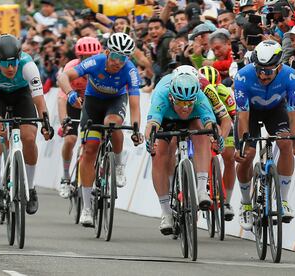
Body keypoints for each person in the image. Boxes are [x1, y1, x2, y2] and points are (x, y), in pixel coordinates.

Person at [58, 33, 143, 227]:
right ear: (106, 52)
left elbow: (135, 105)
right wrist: (70, 93)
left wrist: (137, 128)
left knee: (113, 125)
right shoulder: (95, 62)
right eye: (115, 56)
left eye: (124, 58)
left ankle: (119, 165)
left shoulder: (130, 71)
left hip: (115, 102)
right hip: (93, 103)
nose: (118, 62)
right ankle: (87, 208)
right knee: (89, 150)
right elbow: (64, 76)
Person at [234, 40, 295, 231]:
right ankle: (246, 204)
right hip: (250, 113)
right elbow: (242, 114)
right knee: (247, 155)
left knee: (285, 144)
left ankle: (283, 200)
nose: (262, 75)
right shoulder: (243, 76)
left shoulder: (290, 75)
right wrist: (243, 142)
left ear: (279, 66)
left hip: (275, 111)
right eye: (259, 69)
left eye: (268, 71)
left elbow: (293, 111)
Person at [0, 34, 53, 215]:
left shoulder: (28, 65)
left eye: (14, 63)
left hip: (22, 95)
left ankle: (31, 188)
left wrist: (46, 122)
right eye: (6, 64)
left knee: (29, 137)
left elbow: (39, 99)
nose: (11, 68)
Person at [144, 65, 218, 235]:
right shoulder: (162, 94)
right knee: (159, 154)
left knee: (202, 134)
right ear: (171, 97)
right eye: (180, 102)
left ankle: (201, 189)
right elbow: (152, 125)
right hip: (166, 119)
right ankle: (166, 213)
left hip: (192, 120)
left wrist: (215, 136)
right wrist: (151, 141)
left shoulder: (199, 96)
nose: (185, 107)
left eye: (189, 103)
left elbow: (211, 123)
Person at [57, 37, 102, 198]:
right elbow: (62, 98)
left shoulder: (102, 67)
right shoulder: (72, 67)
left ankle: (100, 178)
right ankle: (65, 177)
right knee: (70, 139)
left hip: (93, 102)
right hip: (73, 101)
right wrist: (64, 122)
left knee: (98, 141)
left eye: (93, 57)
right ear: (79, 57)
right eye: (85, 57)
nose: (89, 61)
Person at [199, 65, 237, 220]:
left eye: (214, 87)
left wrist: (222, 137)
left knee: (229, 158)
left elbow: (232, 117)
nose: (211, 91)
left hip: (223, 120)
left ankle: (227, 201)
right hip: (203, 120)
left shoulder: (224, 92)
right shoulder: (199, 91)